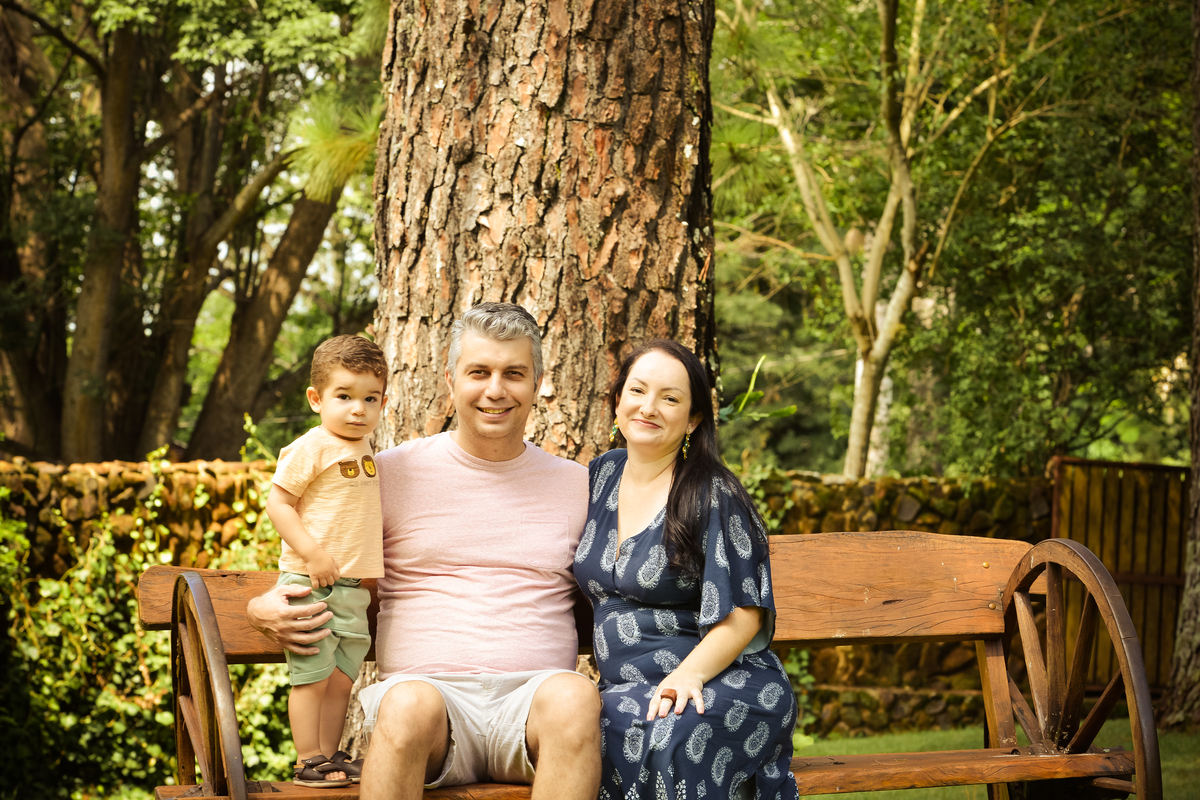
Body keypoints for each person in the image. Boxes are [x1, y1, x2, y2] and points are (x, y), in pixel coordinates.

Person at [247, 303, 601, 800]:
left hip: (534, 706)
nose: (495, 389)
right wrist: (258, 607)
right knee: (407, 704)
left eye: (514, 373)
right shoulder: (387, 473)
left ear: (537, 383)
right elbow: (318, 545)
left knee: (576, 696)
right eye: (478, 372)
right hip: (427, 706)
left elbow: (629, 584)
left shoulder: (579, 486)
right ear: (451, 381)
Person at [574, 339, 800, 800]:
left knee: (667, 733)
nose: (648, 407)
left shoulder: (711, 491)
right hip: (625, 690)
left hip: (717, 678)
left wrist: (689, 675)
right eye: (637, 391)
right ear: (617, 400)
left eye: (670, 398)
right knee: (590, 727)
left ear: (693, 419)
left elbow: (745, 613)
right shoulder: (599, 476)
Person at [265, 334, 388, 787]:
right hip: (310, 582)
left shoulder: (365, 446)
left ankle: (329, 753)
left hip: (352, 588)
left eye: (370, 398)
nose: (358, 409)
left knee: (340, 679)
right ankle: (306, 759)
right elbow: (278, 504)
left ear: (383, 402)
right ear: (316, 399)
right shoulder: (312, 446)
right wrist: (313, 554)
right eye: (344, 396)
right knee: (312, 676)